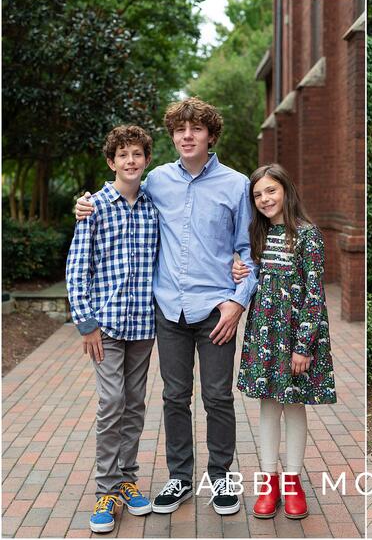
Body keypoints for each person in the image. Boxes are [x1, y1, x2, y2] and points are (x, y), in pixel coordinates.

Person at [75, 98, 259, 516]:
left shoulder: (235, 184)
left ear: (211, 136)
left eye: (196, 129)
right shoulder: (156, 180)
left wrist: (237, 302)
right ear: (173, 137)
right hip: (168, 311)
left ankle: (221, 478)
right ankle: (179, 477)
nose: (187, 136)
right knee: (175, 397)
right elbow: (117, 196)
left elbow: (249, 252)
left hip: (216, 310)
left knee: (217, 396)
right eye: (180, 130)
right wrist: (83, 204)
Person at [231, 164, 336, 520]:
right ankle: (268, 481)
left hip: (294, 336)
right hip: (265, 334)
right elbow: (252, 275)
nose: (265, 199)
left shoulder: (307, 235)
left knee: (293, 406)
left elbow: (314, 293)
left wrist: (304, 345)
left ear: (286, 191)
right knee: (268, 407)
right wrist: (239, 270)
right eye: (258, 194)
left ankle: (292, 481)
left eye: (271, 191)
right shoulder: (258, 236)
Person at [66, 125, 157, 532]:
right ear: (111, 162)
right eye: (123, 155)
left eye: (137, 154)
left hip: (143, 323)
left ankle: (126, 480)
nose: (131, 161)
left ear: (146, 160)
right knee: (112, 402)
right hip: (106, 325)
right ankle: (106, 487)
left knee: (135, 404)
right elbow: (76, 267)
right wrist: (86, 323)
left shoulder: (154, 206)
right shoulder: (94, 206)